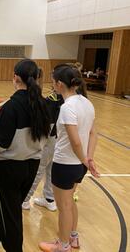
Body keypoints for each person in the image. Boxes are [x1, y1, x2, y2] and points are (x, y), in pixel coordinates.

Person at [0, 59, 51, 252]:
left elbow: (0, 144)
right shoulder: (43, 105)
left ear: (15, 77)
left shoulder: (12, 106)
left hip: (8, 168)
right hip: (32, 166)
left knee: (10, 216)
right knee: (3, 208)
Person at [39, 65, 99, 252]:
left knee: (63, 206)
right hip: (78, 166)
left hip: (65, 164)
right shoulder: (87, 103)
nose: (52, 85)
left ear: (59, 84)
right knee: (70, 201)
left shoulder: (67, 107)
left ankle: (62, 245)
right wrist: (88, 159)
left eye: (54, 82)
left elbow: (75, 142)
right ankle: (73, 238)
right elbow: (93, 133)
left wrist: (84, 160)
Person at [22, 69, 64, 212]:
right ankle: (49, 198)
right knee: (51, 167)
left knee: (39, 168)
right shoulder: (71, 98)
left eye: (53, 81)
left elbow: (48, 121)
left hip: (52, 137)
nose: (51, 84)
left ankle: (26, 199)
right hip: (60, 140)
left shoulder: (54, 100)